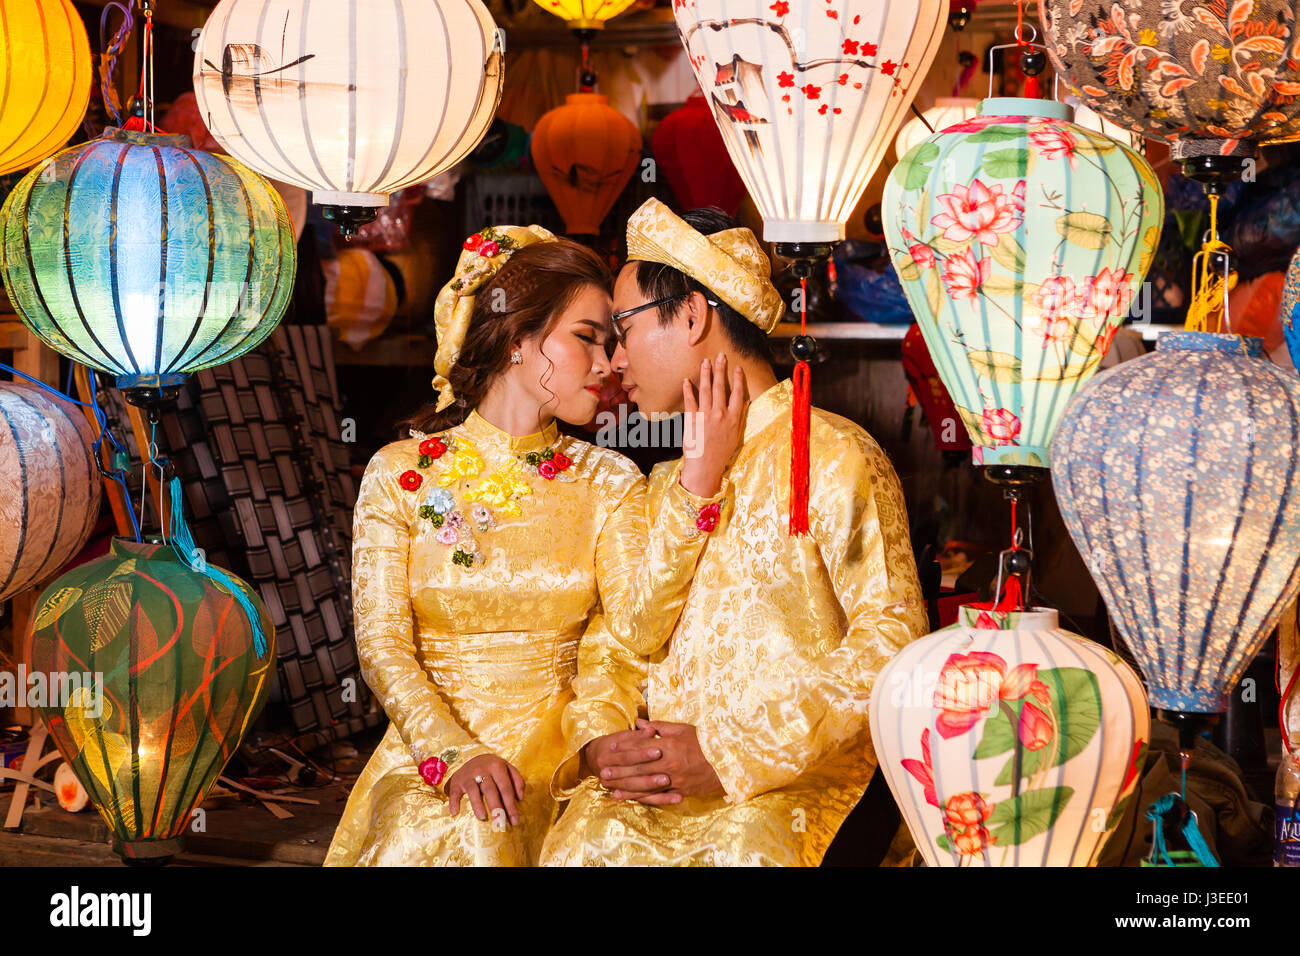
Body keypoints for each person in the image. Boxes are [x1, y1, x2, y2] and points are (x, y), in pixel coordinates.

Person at [323, 225, 745, 866]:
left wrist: (697, 484)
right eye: (586, 339)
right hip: (434, 756)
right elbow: (382, 644)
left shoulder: (608, 479)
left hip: (562, 760)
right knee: (467, 828)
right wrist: (452, 753)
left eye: (613, 342)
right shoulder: (402, 472)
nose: (609, 365)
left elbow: (638, 624)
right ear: (518, 338)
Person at [539, 201, 929, 866]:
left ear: (691, 315)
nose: (614, 356)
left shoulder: (831, 453)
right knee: (581, 843)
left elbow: (892, 643)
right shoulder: (666, 483)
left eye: (623, 327)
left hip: (787, 787)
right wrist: (602, 742)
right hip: (654, 794)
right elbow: (617, 642)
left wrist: (728, 752)